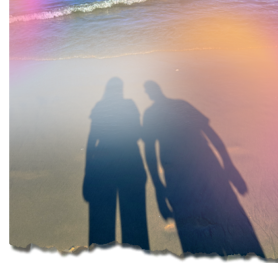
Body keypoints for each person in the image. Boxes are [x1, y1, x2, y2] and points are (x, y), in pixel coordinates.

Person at [142, 80, 265, 259]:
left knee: (200, 232)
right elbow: (209, 132)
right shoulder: (178, 106)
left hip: (190, 172)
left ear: (150, 93)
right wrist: (228, 165)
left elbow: (149, 152)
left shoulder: (153, 113)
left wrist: (158, 187)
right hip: (202, 168)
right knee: (226, 221)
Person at [83, 77, 149, 250]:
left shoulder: (100, 106)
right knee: (134, 220)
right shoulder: (130, 105)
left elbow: (91, 140)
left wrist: (87, 174)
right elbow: (139, 133)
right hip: (130, 161)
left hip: (103, 164)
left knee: (103, 222)